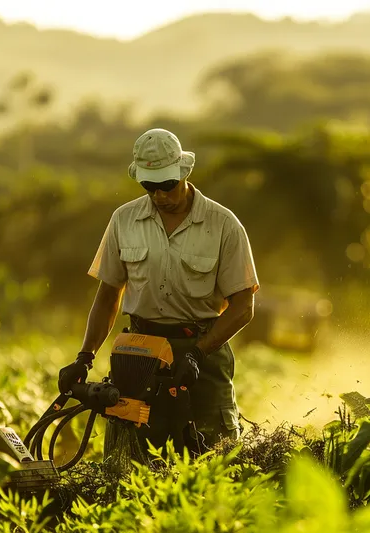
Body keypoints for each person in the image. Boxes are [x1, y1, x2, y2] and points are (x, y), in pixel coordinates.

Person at [57, 128, 259, 455]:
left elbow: (243, 307)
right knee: (126, 462)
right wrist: (85, 357)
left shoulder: (224, 225)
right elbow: (108, 296)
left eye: (167, 186)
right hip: (139, 355)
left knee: (211, 458)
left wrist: (197, 352)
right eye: (150, 187)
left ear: (183, 173)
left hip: (201, 354)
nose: (160, 196)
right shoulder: (124, 221)